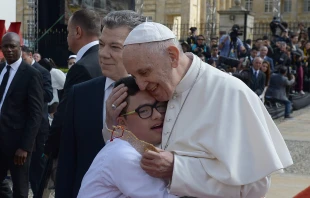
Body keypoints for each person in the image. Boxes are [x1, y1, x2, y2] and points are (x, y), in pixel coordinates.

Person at [106, 22, 293, 197]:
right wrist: (114, 125)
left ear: (172, 56)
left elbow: (255, 186)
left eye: (144, 72)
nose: (140, 84)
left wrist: (178, 170)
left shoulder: (230, 93)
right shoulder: (157, 92)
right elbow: (133, 158)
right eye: (134, 76)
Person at [55, 10, 145, 198]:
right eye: (102, 44)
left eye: (114, 47)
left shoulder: (155, 95)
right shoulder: (80, 94)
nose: (103, 54)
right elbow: (68, 162)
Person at [78, 76, 177, 198]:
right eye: (144, 110)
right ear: (122, 123)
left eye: (160, 106)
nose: (157, 115)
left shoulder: (131, 148)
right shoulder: (122, 155)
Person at [44, 9, 103, 158]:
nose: (67, 37)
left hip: (80, 152)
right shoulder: (105, 59)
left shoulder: (81, 68)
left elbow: (65, 115)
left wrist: (49, 148)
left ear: (77, 32)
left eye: (68, 32)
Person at [0, 32, 44, 197]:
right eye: (6, 46)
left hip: (18, 145)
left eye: (13, 46)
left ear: (20, 48)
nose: (9, 50)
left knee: (20, 188)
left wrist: (25, 146)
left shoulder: (31, 74)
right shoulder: (0, 69)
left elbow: (36, 114)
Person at [21, 46, 53, 197]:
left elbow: (48, 94)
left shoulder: (42, 72)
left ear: (30, 56)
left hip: (38, 127)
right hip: (21, 125)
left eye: (23, 58)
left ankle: (39, 193)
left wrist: (30, 92)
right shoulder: (16, 72)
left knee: (37, 166)